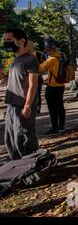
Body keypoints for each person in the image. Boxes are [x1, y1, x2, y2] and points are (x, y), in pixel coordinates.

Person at [1, 28, 40, 159]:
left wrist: (28, 105)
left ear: (21, 41)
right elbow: (9, 81)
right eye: (4, 40)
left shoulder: (30, 60)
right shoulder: (15, 60)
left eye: (9, 40)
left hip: (22, 105)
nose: (6, 43)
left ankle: (30, 163)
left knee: (23, 135)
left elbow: (33, 85)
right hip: (12, 103)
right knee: (10, 137)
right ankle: (16, 163)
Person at [39, 38, 67, 135]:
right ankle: (61, 125)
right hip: (61, 85)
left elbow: (40, 68)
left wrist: (40, 60)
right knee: (60, 106)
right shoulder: (62, 56)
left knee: (52, 109)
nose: (47, 52)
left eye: (47, 50)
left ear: (51, 49)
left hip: (52, 87)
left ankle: (54, 128)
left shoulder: (51, 59)